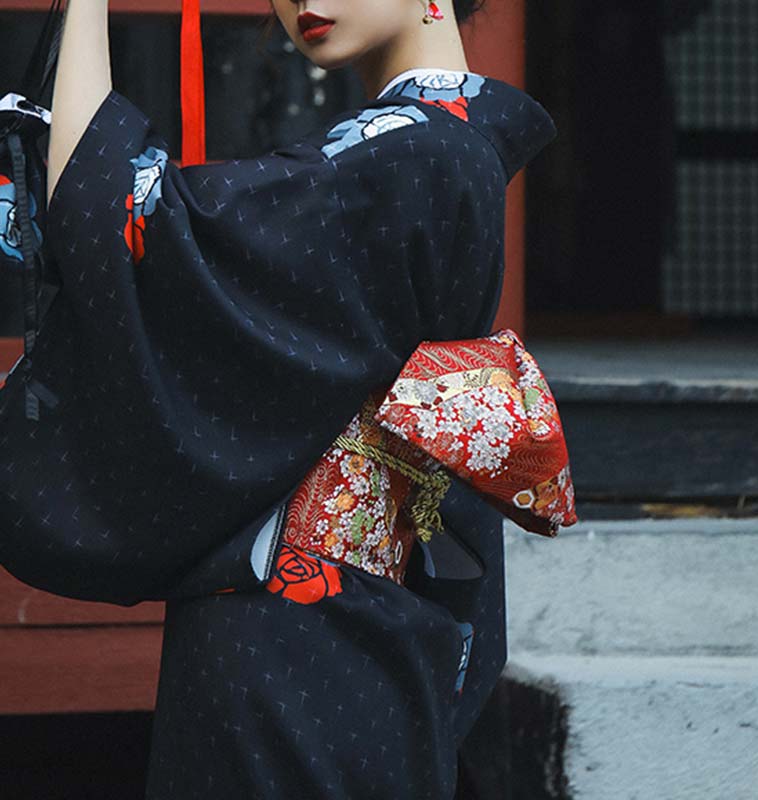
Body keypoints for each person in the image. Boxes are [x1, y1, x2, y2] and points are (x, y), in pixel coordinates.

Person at [42, 0, 559, 797]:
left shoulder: (415, 150)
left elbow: (115, 218)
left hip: (296, 647)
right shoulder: (434, 145)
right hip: (347, 633)